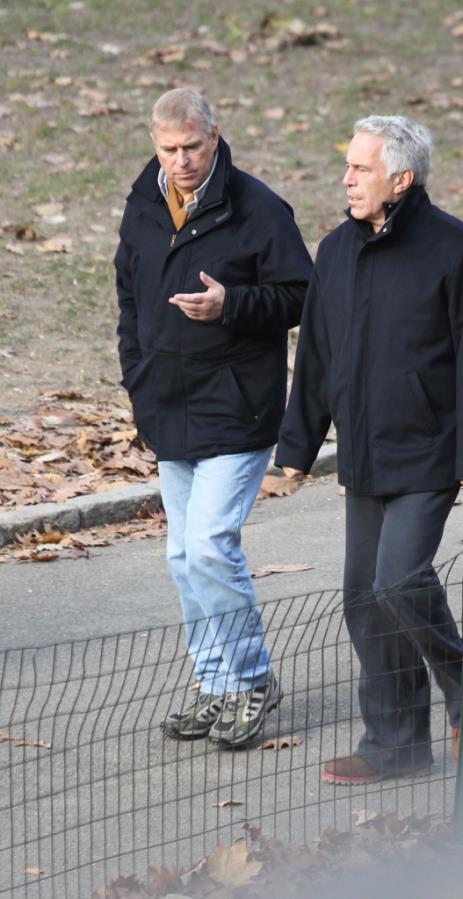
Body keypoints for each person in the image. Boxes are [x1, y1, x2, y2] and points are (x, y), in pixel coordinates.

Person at [275, 115, 463, 784]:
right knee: (363, 597)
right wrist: (296, 450)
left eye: (361, 168)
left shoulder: (458, 250)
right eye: (347, 165)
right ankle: (396, 745)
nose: (347, 178)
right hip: (364, 453)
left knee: (399, 579)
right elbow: (316, 359)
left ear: (400, 179)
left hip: (430, 448)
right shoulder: (335, 251)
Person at [115, 89, 312, 746]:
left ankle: (252, 679)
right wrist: (137, 376)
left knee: (208, 545)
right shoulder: (144, 203)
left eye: (192, 147)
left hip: (237, 407)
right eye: (169, 149)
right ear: (155, 142)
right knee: (180, 554)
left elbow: (302, 295)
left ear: (215, 135)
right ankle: (216, 684)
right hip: (168, 405)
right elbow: (127, 295)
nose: (181, 161)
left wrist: (232, 304)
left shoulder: (259, 208)